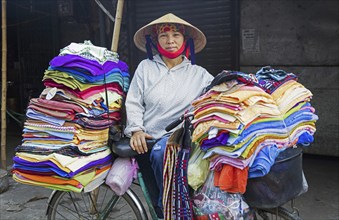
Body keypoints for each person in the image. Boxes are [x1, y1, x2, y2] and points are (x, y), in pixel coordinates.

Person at [124, 13, 214, 218]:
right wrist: (136, 129)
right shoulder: (146, 68)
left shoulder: (199, 74)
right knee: (158, 154)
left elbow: (216, 96)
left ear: (185, 40)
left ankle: (173, 206)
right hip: (149, 141)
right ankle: (168, 209)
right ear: (155, 41)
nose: (170, 40)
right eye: (164, 35)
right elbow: (134, 101)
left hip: (183, 140)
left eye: (176, 35)